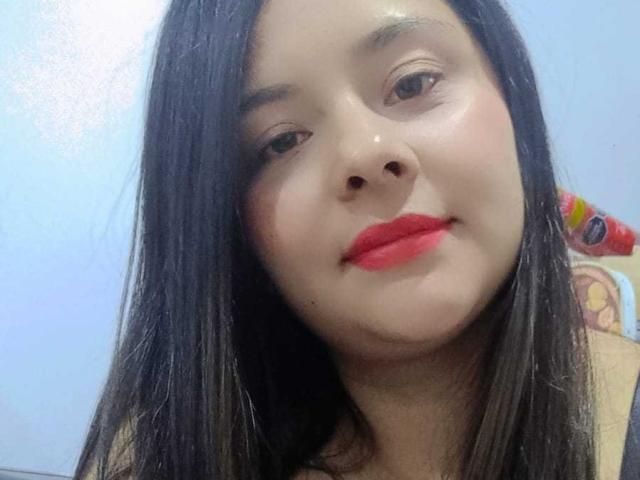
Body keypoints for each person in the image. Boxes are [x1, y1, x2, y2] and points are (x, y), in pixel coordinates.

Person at [73, 0, 640, 479]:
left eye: (413, 82)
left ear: (512, 95)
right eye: (281, 141)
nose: (366, 153)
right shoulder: (151, 458)